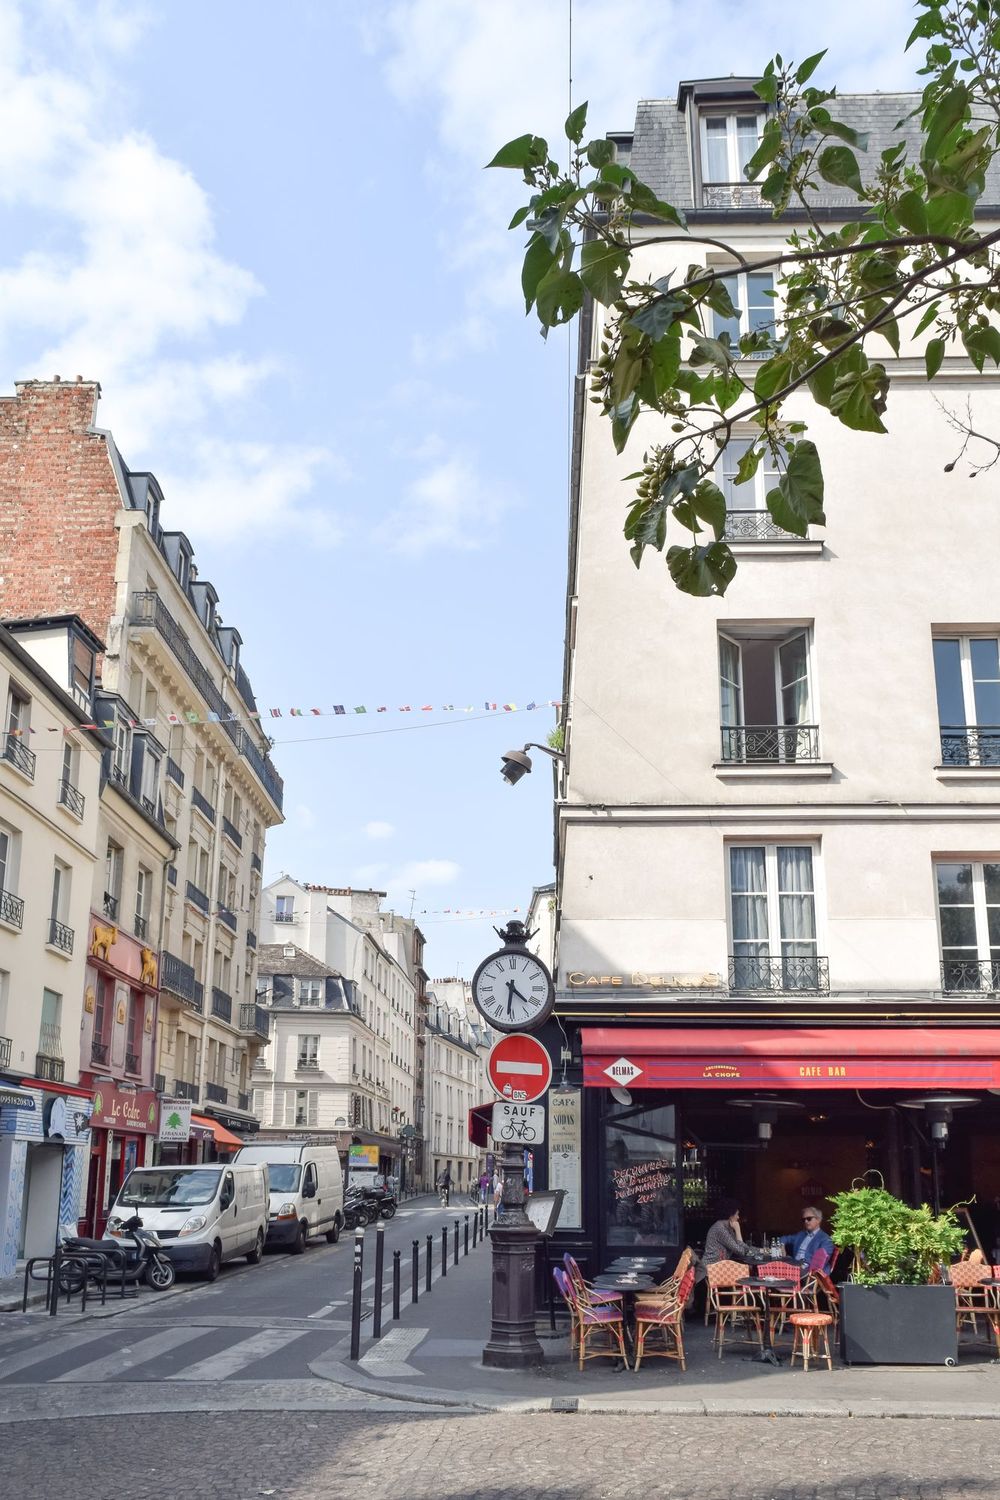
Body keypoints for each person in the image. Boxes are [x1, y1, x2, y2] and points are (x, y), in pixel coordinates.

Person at [703, 1199, 760, 1266]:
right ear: (730, 1216)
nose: (738, 1217)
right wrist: (738, 1230)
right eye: (737, 1214)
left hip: (719, 1267)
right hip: (710, 1270)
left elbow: (744, 1248)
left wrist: (761, 1250)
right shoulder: (720, 1229)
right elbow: (740, 1251)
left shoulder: (727, 1228)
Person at [782, 1206, 835, 1272]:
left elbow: (820, 1262)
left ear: (818, 1220)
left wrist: (800, 1267)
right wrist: (782, 1244)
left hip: (810, 1271)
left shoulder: (825, 1239)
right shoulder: (801, 1234)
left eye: (809, 1219)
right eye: (803, 1220)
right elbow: (784, 1238)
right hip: (795, 1266)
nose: (806, 1221)